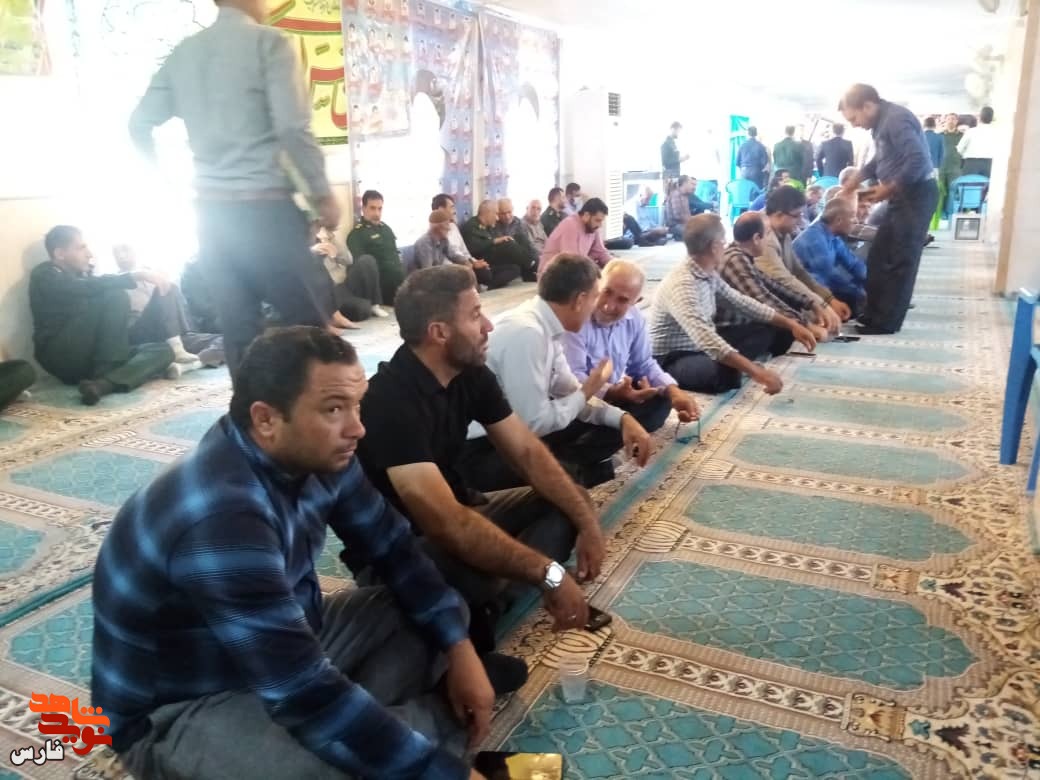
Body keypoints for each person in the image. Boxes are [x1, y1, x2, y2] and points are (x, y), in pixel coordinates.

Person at [92, 326, 500, 780]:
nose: (357, 428)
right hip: (181, 707)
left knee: (438, 611)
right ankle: (416, 725)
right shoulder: (222, 516)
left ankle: (385, 729)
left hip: (287, 648)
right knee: (331, 763)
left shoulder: (322, 454)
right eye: (334, 409)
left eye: (357, 405)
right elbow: (302, 690)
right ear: (266, 419)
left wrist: (459, 647)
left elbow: (394, 549)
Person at [357, 265, 607, 653]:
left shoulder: (469, 373)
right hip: (402, 545)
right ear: (439, 332)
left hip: (462, 511)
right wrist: (551, 574)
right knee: (478, 574)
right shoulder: (389, 404)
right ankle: (488, 600)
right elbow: (446, 524)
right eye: (475, 315)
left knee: (571, 501)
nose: (488, 325)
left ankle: (488, 604)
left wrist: (589, 523)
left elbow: (527, 453)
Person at [129, 0, 341, 382]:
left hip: (212, 216)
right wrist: (321, 194)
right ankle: (322, 417)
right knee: (309, 332)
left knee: (241, 336)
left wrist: (165, 182)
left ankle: (249, 417)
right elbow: (292, 128)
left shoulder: (185, 52)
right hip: (266, 213)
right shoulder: (268, 43)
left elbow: (139, 124)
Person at [460, 254, 654, 491]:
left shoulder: (548, 328)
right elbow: (535, 423)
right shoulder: (527, 333)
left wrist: (623, 418)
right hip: (480, 449)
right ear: (580, 300)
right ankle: (575, 473)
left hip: (515, 434)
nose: (600, 306)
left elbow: (568, 391)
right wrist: (587, 391)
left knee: (612, 421)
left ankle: (573, 469)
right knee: (565, 491)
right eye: (597, 296)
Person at [650, 214, 816, 395]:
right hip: (672, 357)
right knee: (727, 373)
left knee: (769, 329)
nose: (726, 246)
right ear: (714, 247)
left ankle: (732, 362)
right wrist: (756, 372)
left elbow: (742, 302)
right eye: (723, 241)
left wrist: (791, 324)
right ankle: (667, 378)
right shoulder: (683, 285)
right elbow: (705, 338)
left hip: (699, 348)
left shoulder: (707, 273)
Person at [30, 226, 178, 405]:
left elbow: (93, 284)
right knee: (115, 295)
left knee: (163, 351)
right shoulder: (45, 274)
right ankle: (111, 372)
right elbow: (81, 288)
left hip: (91, 359)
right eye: (81, 248)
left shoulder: (82, 275)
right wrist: (136, 275)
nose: (89, 254)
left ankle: (103, 385)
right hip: (60, 355)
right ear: (60, 254)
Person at [839, 83, 939, 334]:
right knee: (879, 256)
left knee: (900, 261)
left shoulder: (896, 119)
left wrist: (889, 188)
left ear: (867, 106)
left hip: (916, 195)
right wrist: (857, 178)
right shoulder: (881, 123)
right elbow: (880, 159)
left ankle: (885, 322)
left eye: (854, 118)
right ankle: (873, 314)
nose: (854, 125)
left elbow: (917, 160)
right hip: (902, 196)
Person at [563, 260, 699, 434]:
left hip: (616, 391)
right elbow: (571, 380)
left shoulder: (634, 318)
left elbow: (643, 364)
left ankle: (612, 431)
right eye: (606, 292)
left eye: (622, 300)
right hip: (580, 399)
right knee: (578, 417)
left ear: (636, 301)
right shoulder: (576, 317)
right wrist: (612, 393)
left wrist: (674, 391)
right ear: (597, 286)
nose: (609, 305)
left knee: (661, 399)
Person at [112, 243, 224, 372]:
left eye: (125, 250)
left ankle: (189, 365)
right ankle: (177, 349)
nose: (121, 256)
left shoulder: (154, 274)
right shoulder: (114, 282)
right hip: (142, 331)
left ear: (135, 251)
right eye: (116, 252)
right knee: (167, 286)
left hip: (172, 333)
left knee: (228, 341)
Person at [718, 213, 827, 344]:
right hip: (727, 332)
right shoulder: (736, 260)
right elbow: (764, 300)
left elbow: (773, 286)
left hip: (739, 327)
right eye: (768, 234)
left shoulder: (740, 256)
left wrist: (810, 303)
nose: (769, 240)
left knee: (788, 312)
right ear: (756, 238)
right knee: (778, 327)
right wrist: (805, 325)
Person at [756, 186, 845, 335]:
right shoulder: (765, 238)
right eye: (797, 216)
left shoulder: (782, 230)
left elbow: (799, 272)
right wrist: (821, 306)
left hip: (776, 302)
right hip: (760, 312)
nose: (800, 221)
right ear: (779, 215)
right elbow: (784, 280)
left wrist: (829, 300)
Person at [793, 199, 868, 319]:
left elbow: (853, 263)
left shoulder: (832, 236)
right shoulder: (815, 240)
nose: (856, 221)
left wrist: (872, 282)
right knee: (854, 296)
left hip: (821, 287)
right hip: (805, 293)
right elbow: (829, 277)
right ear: (838, 220)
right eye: (852, 217)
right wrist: (860, 293)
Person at [311, 225, 390, 324]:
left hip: (345, 284)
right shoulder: (304, 243)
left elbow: (348, 260)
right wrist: (313, 252)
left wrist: (333, 239)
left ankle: (375, 305)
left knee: (367, 260)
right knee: (362, 309)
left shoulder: (330, 236)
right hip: (329, 290)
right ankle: (363, 306)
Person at [347, 190, 407, 307]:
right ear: (363, 208)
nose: (377, 213)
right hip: (380, 292)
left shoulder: (386, 229)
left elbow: (395, 256)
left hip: (399, 285)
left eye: (380, 209)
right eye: (372, 208)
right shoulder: (357, 234)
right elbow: (364, 270)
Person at [462, 200, 536, 283]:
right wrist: (494, 241)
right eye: (496, 214)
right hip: (481, 260)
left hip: (492, 257)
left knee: (516, 265)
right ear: (488, 213)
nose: (497, 218)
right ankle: (533, 265)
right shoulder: (472, 226)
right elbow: (473, 248)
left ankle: (528, 273)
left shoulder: (488, 226)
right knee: (508, 244)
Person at [538, 198, 613, 273]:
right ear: (586, 215)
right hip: (552, 275)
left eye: (601, 221)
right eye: (597, 220)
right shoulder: (570, 225)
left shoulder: (592, 227)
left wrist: (616, 266)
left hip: (571, 272)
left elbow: (601, 252)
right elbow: (572, 263)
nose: (600, 225)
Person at [494, 198, 540, 273]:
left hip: (522, 256)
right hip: (505, 258)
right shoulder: (493, 224)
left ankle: (535, 266)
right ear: (497, 213)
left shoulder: (519, 222)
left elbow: (528, 244)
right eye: (503, 213)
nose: (507, 216)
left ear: (513, 210)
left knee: (523, 239)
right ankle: (533, 266)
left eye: (509, 212)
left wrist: (537, 257)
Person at [432, 193, 475, 261]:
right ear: (441, 209)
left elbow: (465, 252)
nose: (455, 211)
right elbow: (444, 261)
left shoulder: (453, 227)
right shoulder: (432, 234)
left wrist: (473, 262)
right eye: (452, 207)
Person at [957, 106, 996, 178]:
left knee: (970, 184)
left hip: (971, 164)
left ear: (980, 117)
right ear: (992, 118)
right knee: (987, 184)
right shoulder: (997, 133)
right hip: (990, 164)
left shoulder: (971, 131)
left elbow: (959, 149)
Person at [939, 113, 964, 218]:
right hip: (941, 166)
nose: (951, 121)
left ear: (957, 121)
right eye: (949, 119)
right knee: (940, 191)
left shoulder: (962, 136)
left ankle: (950, 214)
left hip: (955, 167)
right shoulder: (940, 135)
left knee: (952, 191)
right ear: (945, 121)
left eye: (953, 119)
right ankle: (940, 213)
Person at [664, 176, 694, 240]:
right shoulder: (676, 195)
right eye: (691, 184)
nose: (693, 187)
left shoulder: (685, 195)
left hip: (682, 224)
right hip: (675, 226)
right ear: (685, 184)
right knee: (696, 233)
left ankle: (679, 236)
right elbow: (677, 216)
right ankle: (678, 235)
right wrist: (691, 221)